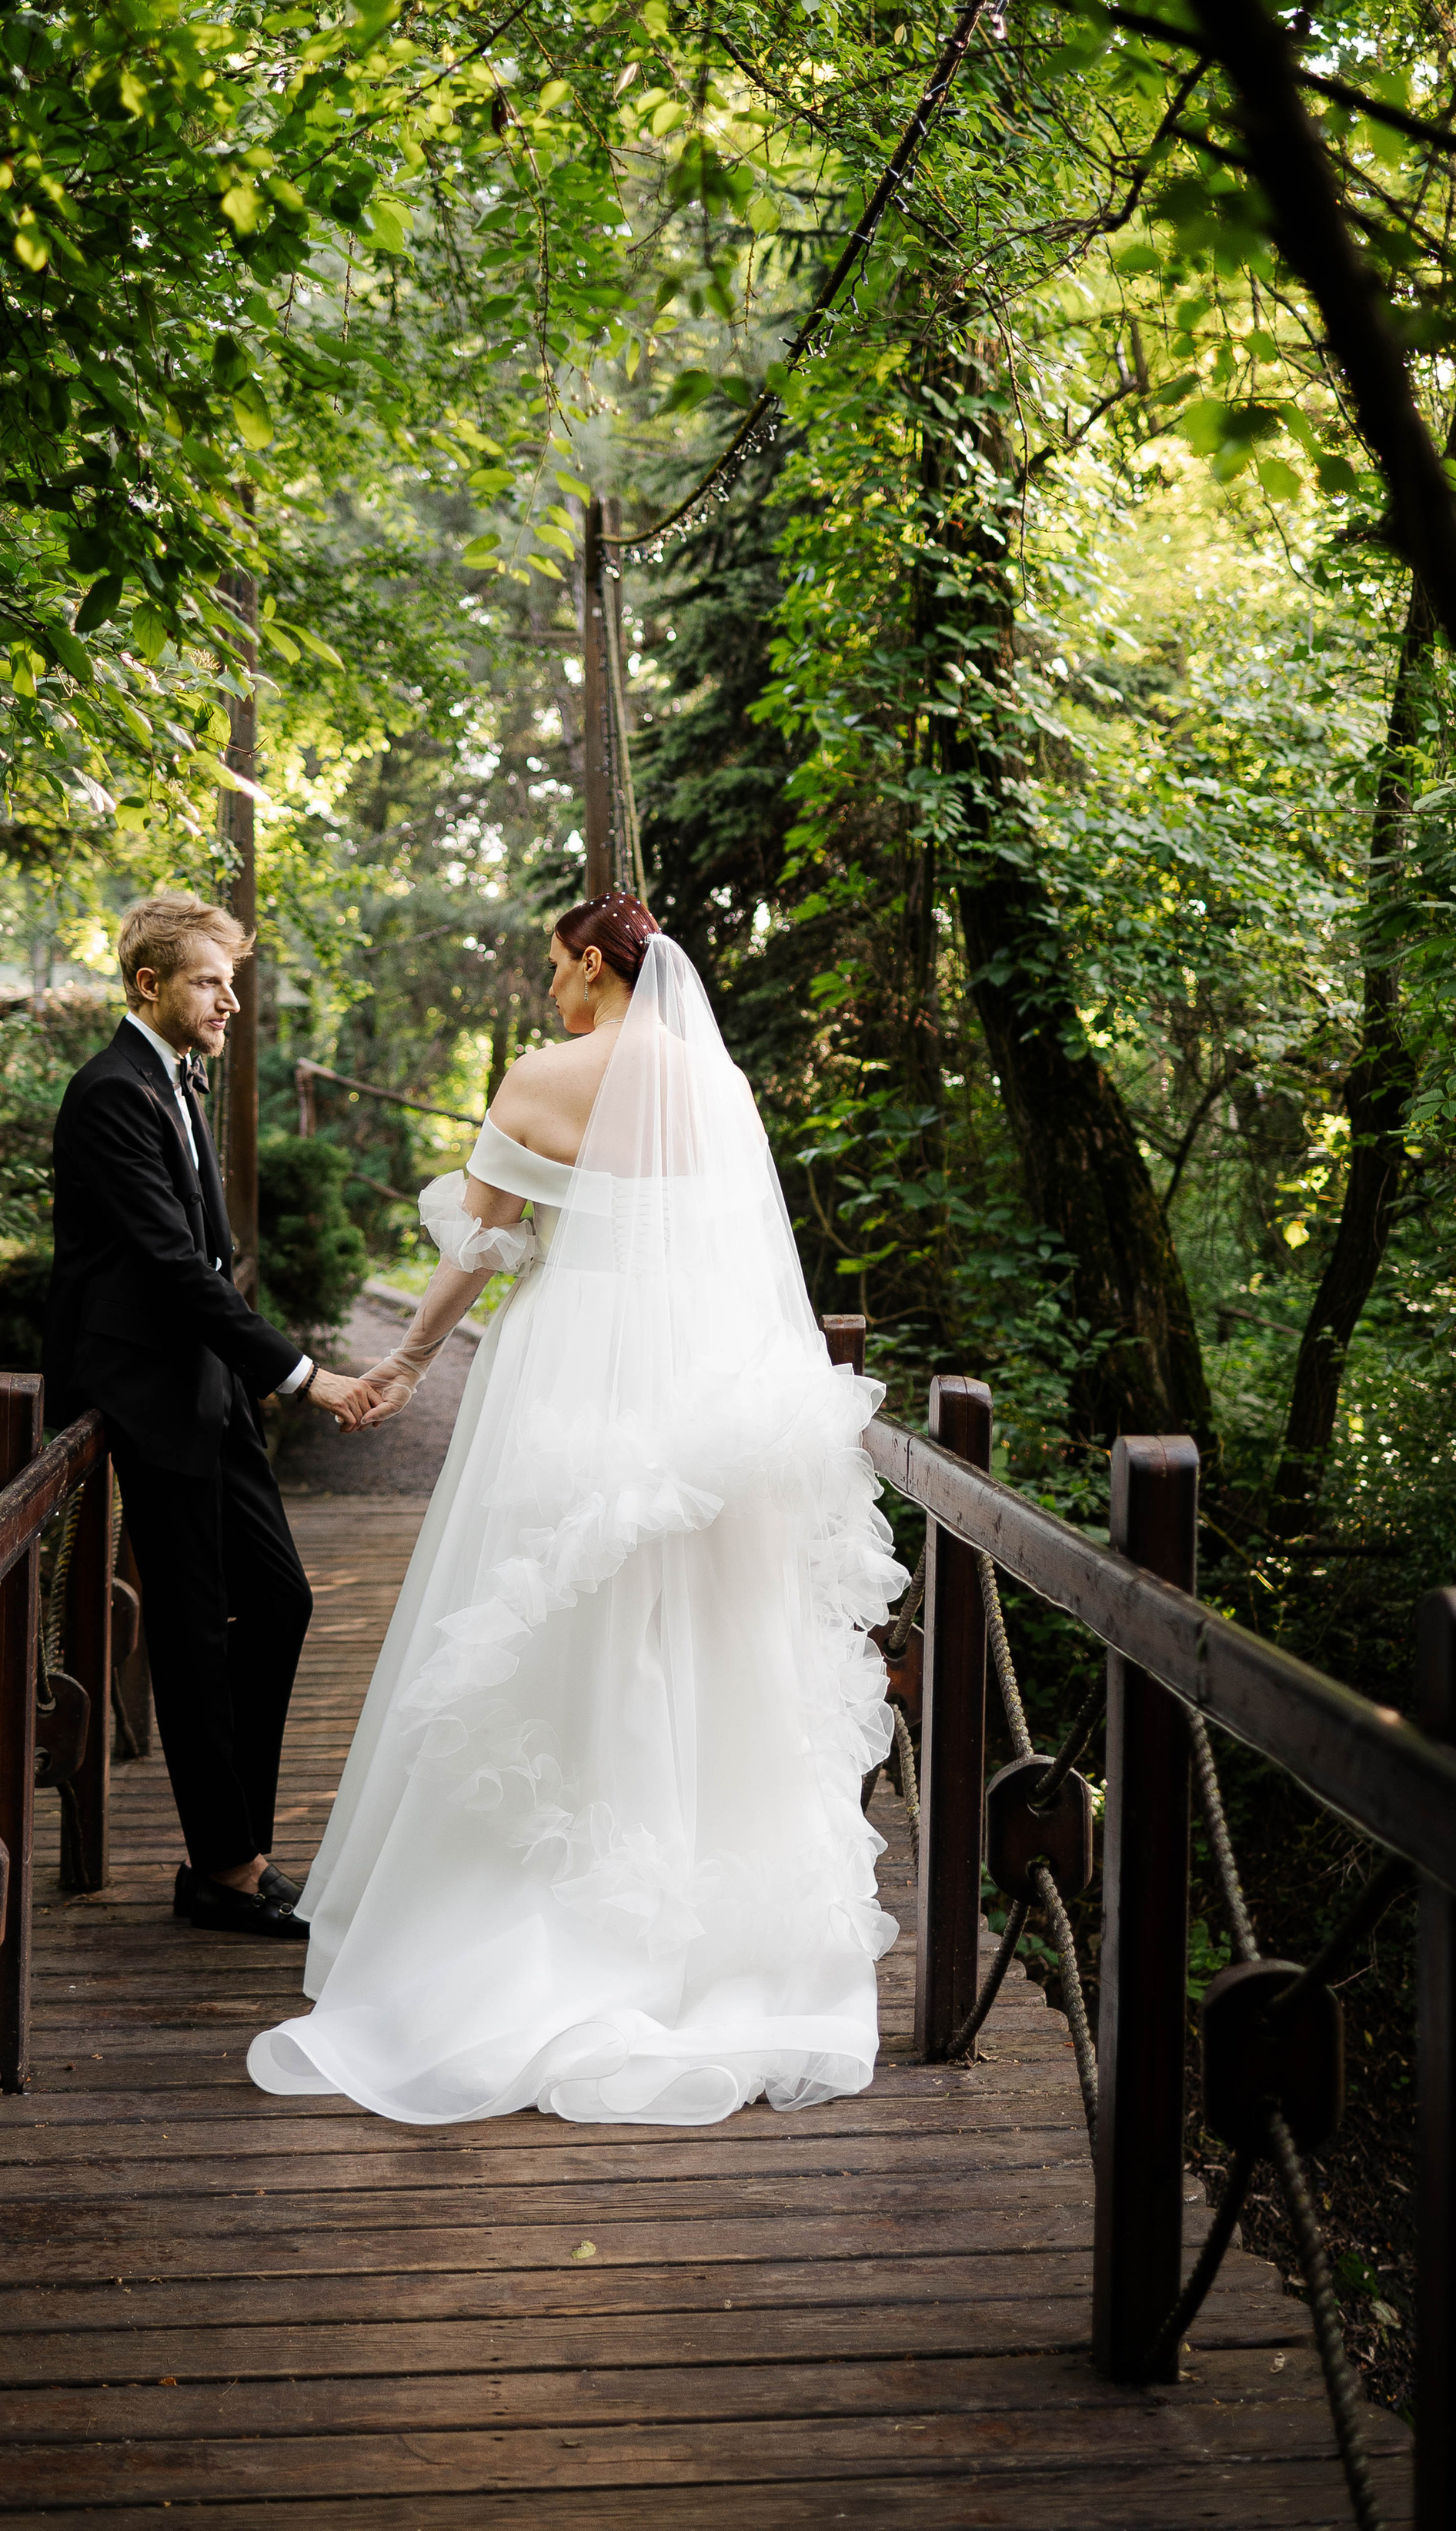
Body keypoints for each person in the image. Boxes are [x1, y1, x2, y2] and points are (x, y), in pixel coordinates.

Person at [247, 891, 906, 2123]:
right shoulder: (718, 1083)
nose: (548, 990)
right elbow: (739, 1249)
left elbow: (482, 1246)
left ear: (596, 965)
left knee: (555, 1610)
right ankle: (714, 1937)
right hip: (705, 1381)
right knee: (706, 1624)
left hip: (573, 1370)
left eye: (556, 968)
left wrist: (401, 1366)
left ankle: (534, 1908)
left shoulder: (545, 1078)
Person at [43, 894, 372, 1943]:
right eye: (209, 980)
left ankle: (239, 1851)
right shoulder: (108, 1093)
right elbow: (172, 1267)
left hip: (207, 1384)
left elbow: (208, 1257)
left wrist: (249, 1373)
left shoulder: (176, 1081)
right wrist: (300, 1373)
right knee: (187, 1631)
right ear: (149, 985)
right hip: (144, 1387)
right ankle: (225, 1872)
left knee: (278, 1602)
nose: (229, 999)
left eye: (231, 980)